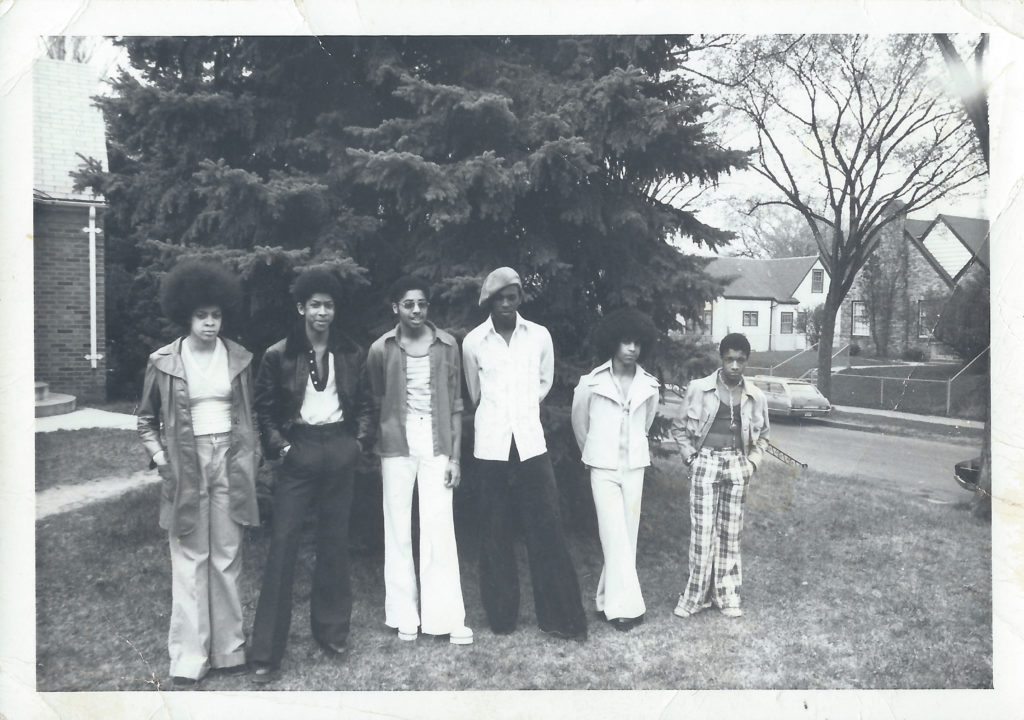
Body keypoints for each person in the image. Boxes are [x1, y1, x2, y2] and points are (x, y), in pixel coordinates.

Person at [248, 266, 376, 684]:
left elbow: (367, 406)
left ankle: (332, 633)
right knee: (284, 543)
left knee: (334, 542)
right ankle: (267, 650)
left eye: (329, 305)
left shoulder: (352, 352)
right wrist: (281, 448)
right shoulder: (278, 354)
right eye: (315, 305)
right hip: (298, 451)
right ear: (302, 307)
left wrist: (356, 443)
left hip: (338, 448)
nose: (323, 312)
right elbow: (263, 411)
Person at [137, 260, 260, 688]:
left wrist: (250, 456)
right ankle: (189, 658)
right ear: (186, 316)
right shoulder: (164, 361)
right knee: (191, 559)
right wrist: (161, 459)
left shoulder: (239, 358)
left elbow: (249, 416)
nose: (210, 323)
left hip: (229, 458)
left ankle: (229, 650)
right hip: (185, 463)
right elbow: (145, 420)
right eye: (201, 315)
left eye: (216, 315)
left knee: (226, 554)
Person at [462, 266, 587, 641]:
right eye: (498, 298)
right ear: (489, 302)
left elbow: (544, 382)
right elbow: (474, 392)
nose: (505, 304)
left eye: (511, 297)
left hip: (531, 444)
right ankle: (502, 616)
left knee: (546, 527)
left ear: (519, 298)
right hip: (490, 447)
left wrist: (522, 411)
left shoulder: (539, 337)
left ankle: (559, 616)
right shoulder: (473, 342)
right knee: (494, 529)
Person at [366, 277, 472, 646]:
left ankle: (445, 617)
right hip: (396, 441)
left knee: (439, 525)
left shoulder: (446, 345)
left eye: (422, 304)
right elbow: (377, 397)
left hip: (437, 440)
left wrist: (455, 457)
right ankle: (403, 615)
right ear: (395, 307)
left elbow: (457, 404)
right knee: (396, 527)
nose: (416, 310)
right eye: (408, 304)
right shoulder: (381, 348)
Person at [570, 309, 660, 632]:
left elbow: (646, 423)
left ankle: (604, 598)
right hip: (602, 467)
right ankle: (625, 610)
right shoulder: (591, 383)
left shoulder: (649, 386)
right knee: (613, 533)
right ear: (613, 343)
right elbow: (580, 423)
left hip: (634, 467)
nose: (631, 348)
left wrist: (632, 450)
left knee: (628, 535)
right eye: (625, 342)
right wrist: (592, 454)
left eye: (637, 343)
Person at [672, 332, 769, 620]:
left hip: (737, 464)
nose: (735, 366)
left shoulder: (755, 396)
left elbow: (763, 436)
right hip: (706, 462)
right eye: (729, 359)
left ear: (747, 361)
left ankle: (726, 595)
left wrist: (751, 463)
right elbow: (679, 428)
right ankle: (695, 597)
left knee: (730, 533)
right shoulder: (699, 389)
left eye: (740, 360)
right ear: (721, 358)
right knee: (702, 533)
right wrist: (690, 457)